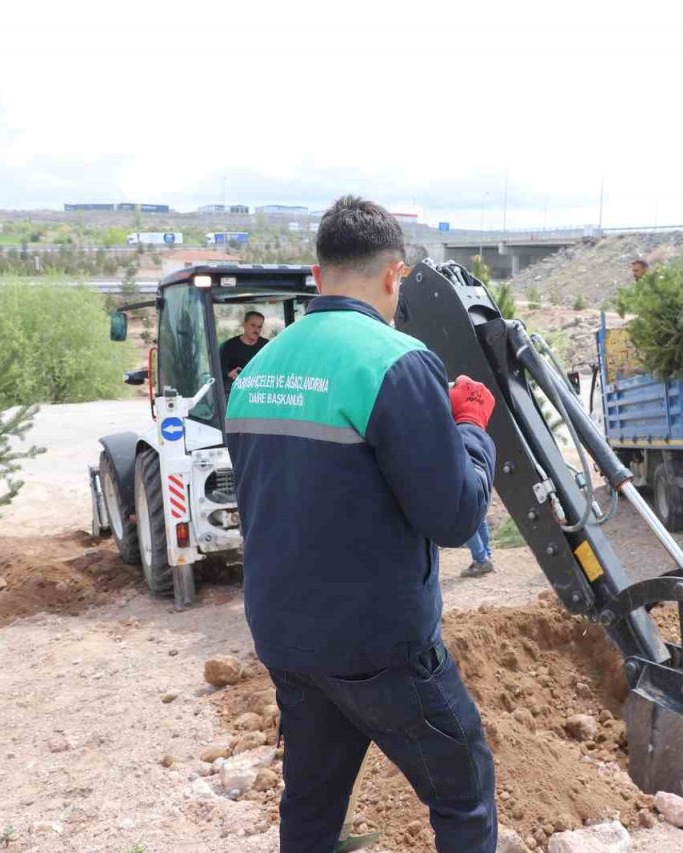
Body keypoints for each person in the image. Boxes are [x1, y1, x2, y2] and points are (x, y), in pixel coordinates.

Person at [224, 196, 500, 852]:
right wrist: (469, 428)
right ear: (393, 276)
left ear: (317, 277)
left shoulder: (254, 373)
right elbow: (456, 515)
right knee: (464, 791)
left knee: (312, 810)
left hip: (287, 639)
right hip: (379, 649)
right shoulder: (396, 362)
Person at [219, 310, 267, 385]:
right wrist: (230, 374)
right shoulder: (228, 347)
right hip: (235, 390)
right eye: (253, 325)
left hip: (260, 388)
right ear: (244, 324)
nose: (256, 330)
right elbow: (220, 372)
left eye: (259, 327)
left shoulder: (267, 346)